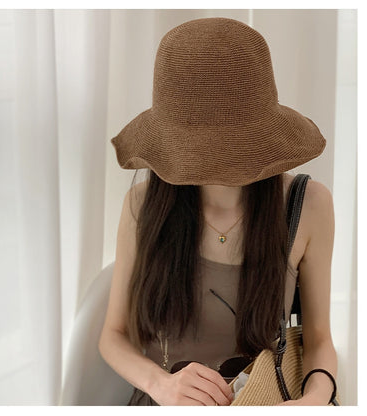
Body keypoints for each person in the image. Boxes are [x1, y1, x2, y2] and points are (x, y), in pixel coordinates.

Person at [98, 17, 337, 406]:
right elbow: (113, 335)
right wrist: (162, 385)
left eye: (229, 142)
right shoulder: (142, 205)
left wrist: (315, 399)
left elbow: (319, 338)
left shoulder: (308, 205)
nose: (216, 158)